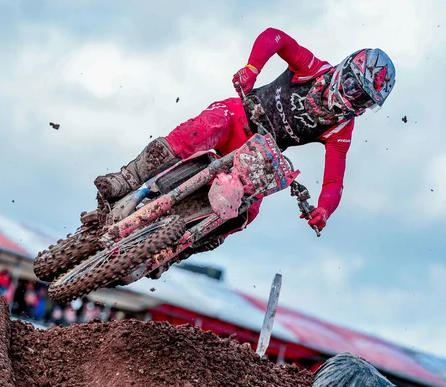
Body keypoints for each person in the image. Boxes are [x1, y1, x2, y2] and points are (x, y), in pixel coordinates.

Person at [94, 27, 396, 233]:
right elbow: (275, 37)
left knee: (246, 212)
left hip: (259, 155)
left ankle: (180, 248)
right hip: (239, 117)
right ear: (345, 73)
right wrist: (252, 69)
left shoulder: (341, 128)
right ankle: (126, 178)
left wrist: (324, 210)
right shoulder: (313, 69)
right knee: (203, 128)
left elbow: (334, 181)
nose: (355, 99)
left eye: (365, 100)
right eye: (356, 89)